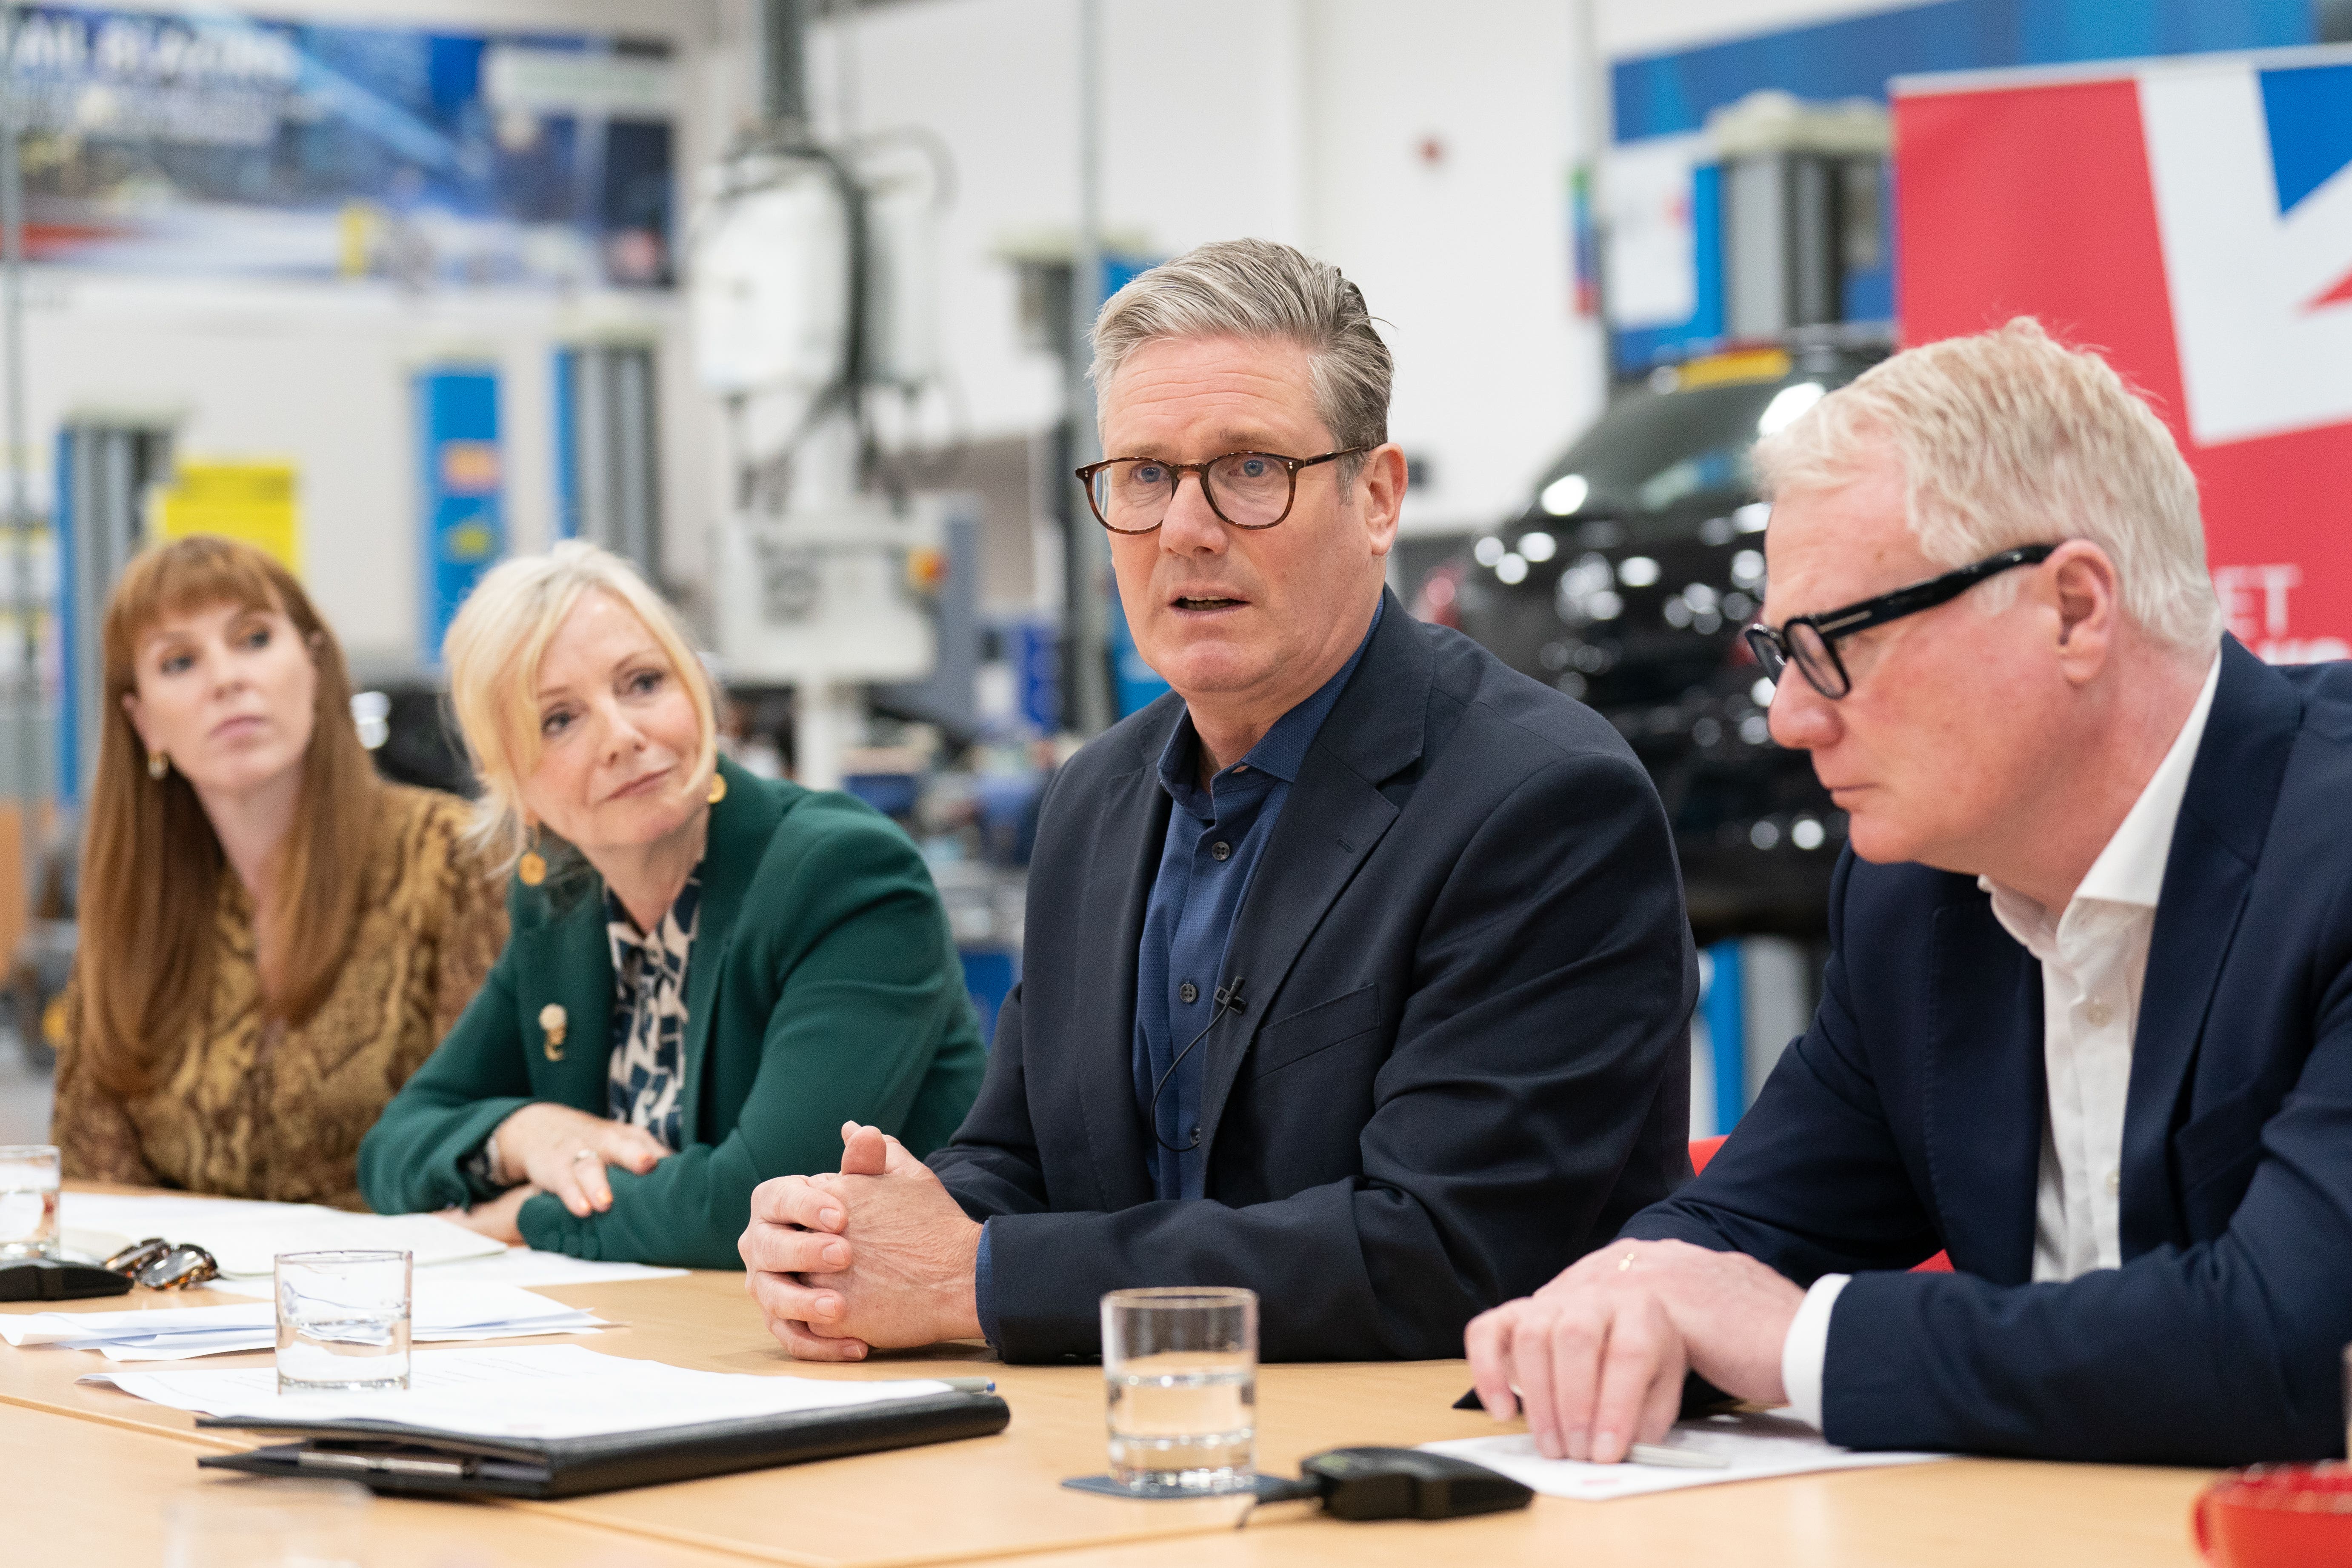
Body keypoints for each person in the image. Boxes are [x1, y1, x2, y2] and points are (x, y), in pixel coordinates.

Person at [740, 238, 1697, 1363]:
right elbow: (1023, 1159)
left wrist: (975, 1277)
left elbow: (1439, 1250)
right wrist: (874, 1231)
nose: (1186, 528)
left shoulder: (1541, 804)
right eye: (1143, 474)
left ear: (1377, 495)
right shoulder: (1094, 797)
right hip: (1116, 1463)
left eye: (1249, 468)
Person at [1466, 317, 2352, 1469]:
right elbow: (1735, 1234)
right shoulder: (1912, 897)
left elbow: (2296, 1347)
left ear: (2074, 608)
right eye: (1779, 652)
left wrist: (1796, 1340)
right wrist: (1618, 1303)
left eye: (1834, 643)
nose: (1789, 717)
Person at [357, 543, 986, 1268]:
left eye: (643, 682)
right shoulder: (562, 896)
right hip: (667, 1334)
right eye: (559, 719)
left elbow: (758, 1205)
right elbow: (394, 1147)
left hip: (882, 1337)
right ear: (517, 787)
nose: (622, 735)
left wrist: (520, 1216)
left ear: (696, 691)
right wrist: (525, 1134)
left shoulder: (844, 873)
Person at [50, 535, 506, 1208]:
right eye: (180, 661)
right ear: (144, 720)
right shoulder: (135, 908)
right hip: (179, 1304)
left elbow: (484, 1142)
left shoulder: (450, 858)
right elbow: (93, 1189)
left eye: (254, 639)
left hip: (414, 1297)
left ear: (316, 664)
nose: (226, 679)